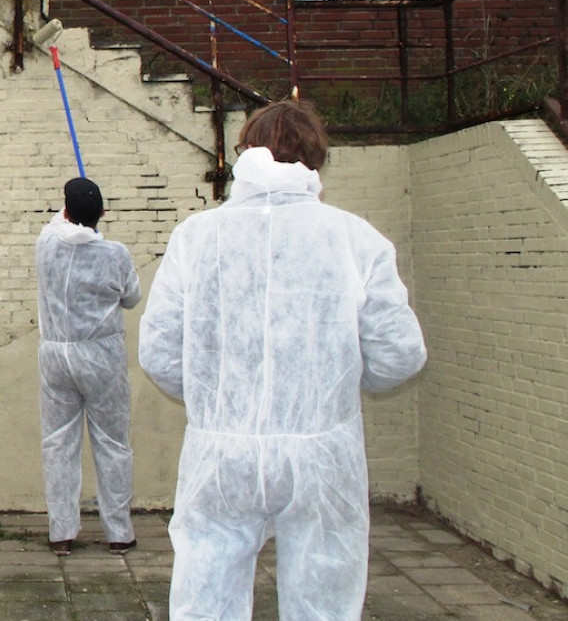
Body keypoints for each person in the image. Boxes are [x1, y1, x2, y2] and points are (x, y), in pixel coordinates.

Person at [139, 100, 427, 621]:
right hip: (322, 453)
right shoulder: (355, 239)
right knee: (324, 603)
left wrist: (216, 394)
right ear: (316, 158)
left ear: (246, 151)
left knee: (206, 600)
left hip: (221, 453)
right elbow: (400, 356)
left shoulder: (196, 238)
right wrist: (334, 381)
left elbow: (158, 350)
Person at [35, 178, 142, 557]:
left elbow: (57, 224)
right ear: (101, 214)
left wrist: (79, 217)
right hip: (102, 358)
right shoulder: (115, 254)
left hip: (56, 357)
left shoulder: (46, 245)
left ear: (65, 212)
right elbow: (131, 298)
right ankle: (119, 532)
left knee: (59, 442)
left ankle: (61, 532)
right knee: (112, 443)